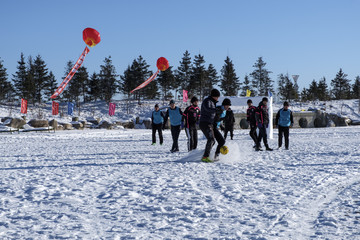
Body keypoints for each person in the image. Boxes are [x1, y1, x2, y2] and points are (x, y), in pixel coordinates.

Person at [199, 89, 226, 162]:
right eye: (217, 96)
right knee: (211, 139)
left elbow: (214, 115)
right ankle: (205, 157)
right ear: (214, 96)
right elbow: (208, 109)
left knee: (221, 141)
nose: (218, 98)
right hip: (205, 123)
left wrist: (220, 123)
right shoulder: (207, 101)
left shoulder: (213, 103)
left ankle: (216, 156)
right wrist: (216, 110)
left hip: (211, 124)